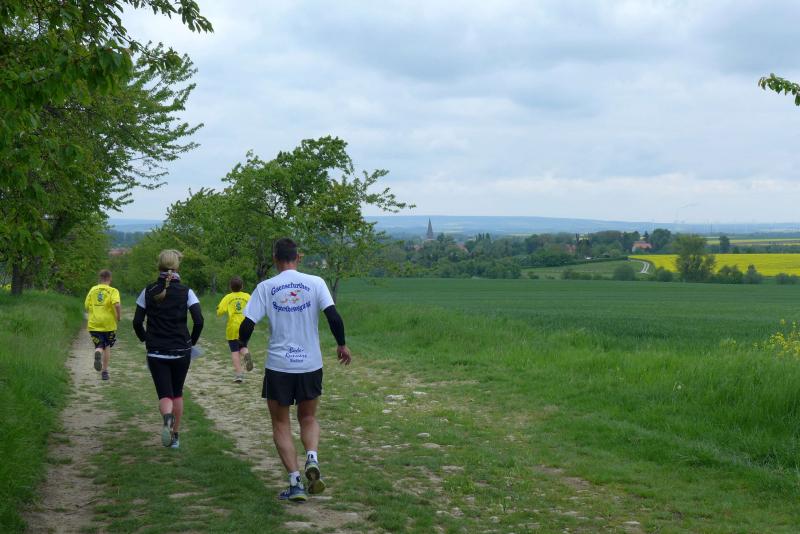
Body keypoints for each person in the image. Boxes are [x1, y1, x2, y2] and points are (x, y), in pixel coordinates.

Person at [238, 238, 351, 502]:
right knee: (308, 418)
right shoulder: (316, 282)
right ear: (298, 257)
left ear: (275, 259)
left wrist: (242, 346)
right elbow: (333, 316)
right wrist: (341, 344)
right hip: (310, 364)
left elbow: (248, 323)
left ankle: (295, 483)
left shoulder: (266, 287)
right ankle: (312, 457)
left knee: (281, 423)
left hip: (279, 366)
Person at [132, 249, 204, 449]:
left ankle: (167, 417)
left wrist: (145, 338)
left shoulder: (147, 291)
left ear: (159, 265)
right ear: (177, 266)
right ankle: (175, 436)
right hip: (181, 350)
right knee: (177, 393)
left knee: (165, 394)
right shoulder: (187, 291)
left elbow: (137, 322)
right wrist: (191, 342)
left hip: (156, 351)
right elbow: (199, 320)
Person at [84, 270, 121, 381]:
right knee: (107, 346)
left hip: (94, 324)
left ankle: (98, 352)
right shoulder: (113, 291)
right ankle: (104, 372)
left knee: (99, 345)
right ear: (110, 279)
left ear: (99, 279)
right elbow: (117, 304)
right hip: (108, 324)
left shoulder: (92, 290)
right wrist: (118, 316)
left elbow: (86, 306)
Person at [216, 276, 252, 383]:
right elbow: (254, 308)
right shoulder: (247, 296)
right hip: (245, 326)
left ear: (230, 287)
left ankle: (239, 375)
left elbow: (219, 311)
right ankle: (246, 355)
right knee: (243, 346)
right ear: (242, 286)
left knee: (235, 351)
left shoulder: (228, 297)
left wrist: (218, 309)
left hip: (233, 327)